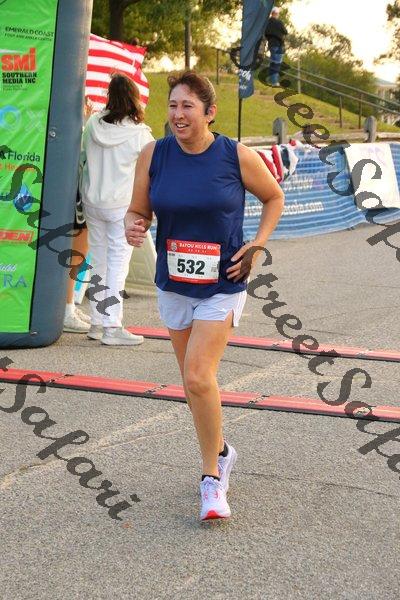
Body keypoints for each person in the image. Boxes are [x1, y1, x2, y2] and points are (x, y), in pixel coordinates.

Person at [125, 71, 284, 520]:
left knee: (197, 376)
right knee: (194, 385)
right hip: (174, 283)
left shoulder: (235, 155)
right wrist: (133, 225)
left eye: (188, 106)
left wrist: (257, 245)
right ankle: (223, 451)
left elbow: (274, 197)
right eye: (173, 105)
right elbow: (138, 209)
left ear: (210, 112)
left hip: (222, 282)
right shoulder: (154, 154)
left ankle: (211, 479)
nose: (178, 114)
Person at [80, 73, 154, 345]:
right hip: (123, 207)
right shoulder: (140, 134)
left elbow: (82, 156)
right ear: (135, 98)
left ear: (109, 95)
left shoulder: (93, 124)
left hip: (93, 202)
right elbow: (153, 170)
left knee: (99, 261)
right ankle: (112, 326)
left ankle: (97, 323)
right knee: (117, 265)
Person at [63, 96, 94, 333]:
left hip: (74, 192)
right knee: (76, 252)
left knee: (77, 252)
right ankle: (66, 309)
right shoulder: (71, 127)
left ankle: (68, 306)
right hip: (72, 193)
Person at [265, 6, 288, 87]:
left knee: (272, 63)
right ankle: (274, 82)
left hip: (271, 44)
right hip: (278, 45)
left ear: (272, 13)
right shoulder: (279, 23)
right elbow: (285, 32)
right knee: (277, 63)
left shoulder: (267, 23)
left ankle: (270, 80)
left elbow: (266, 33)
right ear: (277, 14)